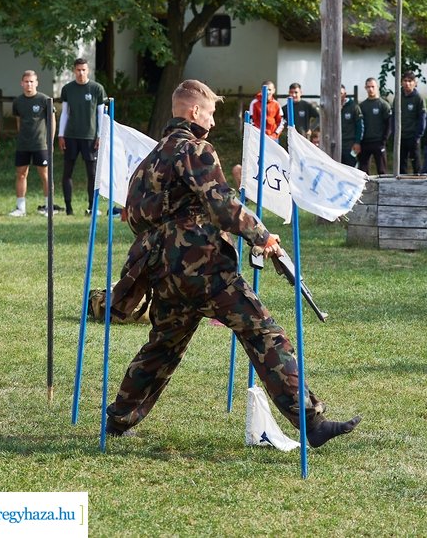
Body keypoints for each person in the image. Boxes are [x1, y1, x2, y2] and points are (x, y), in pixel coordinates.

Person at [106, 79, 361, 447]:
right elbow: (223, 205)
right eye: (209, 111)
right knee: (264, 334)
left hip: (162, 271)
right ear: (194, 111)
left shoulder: (149, 160)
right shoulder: (196, 150)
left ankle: (119, 419)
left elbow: (132, 218)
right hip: (206, 269)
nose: (211, 119)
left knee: (161, 348)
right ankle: (311, 422)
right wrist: (263, 237)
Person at [58, 58, 106, 215]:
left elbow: (100, 114)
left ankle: (92, 206)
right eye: (78, 70)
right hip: (71, 135)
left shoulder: (97, 89)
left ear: (88, 70)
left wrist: (100, 135)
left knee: (92, 173)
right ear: (74, 70)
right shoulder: (67, 89)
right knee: (67, 171)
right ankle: (68, 207)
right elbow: (64, 113)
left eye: (84, 70)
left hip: (90, 136)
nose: (81, 73)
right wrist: (60, 134)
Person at [9, 70, 58, 217]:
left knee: (45, 175)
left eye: (31, 81)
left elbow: (52, 121)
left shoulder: (44, 100)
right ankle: (20, 208)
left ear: (36, 83)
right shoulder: (18, 101)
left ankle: (49, 207)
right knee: (21, 174)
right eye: (26, 81)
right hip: (23, 144)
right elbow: (18, 122)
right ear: (21, 83)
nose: (29, 84)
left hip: (41, 144)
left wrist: (50, 141)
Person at [393, 71, 427, 175]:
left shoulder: (418, 98)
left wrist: (417, 136)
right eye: (405, 81)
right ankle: (401, 186)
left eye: (410, 81)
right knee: (401, 163)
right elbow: (393, 117)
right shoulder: (398, 97)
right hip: (400, 136)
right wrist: (394, 133)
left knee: (415, 162)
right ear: (401, 82)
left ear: (415, 83)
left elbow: (422, 119)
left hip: (413, 136)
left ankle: (419, 185)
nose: (407, 83)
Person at [359, 78, 391, 175]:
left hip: (379, 142)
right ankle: (365, 190)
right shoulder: (362, 106)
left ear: (377, 87)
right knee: (362, 171)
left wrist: (384, 140)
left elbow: (389, 124)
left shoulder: (384, 105)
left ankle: (385, 190)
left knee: (382, 170)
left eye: (373, 86)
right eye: (368, 87)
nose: (370, 89)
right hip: (365, 142)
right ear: (365, 88)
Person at [340, 84, 364, 166]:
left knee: (350, 169)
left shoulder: (353, 107)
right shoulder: (330, 107)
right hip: (335, 145)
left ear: (345, 94)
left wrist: (357, 142)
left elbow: (360, 126)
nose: (338, 96)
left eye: (341, 93)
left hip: (349, 145)